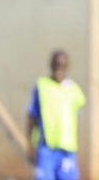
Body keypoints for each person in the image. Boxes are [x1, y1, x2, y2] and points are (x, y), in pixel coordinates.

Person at [27, 50, 86, 180]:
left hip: (67, 148)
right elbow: (32, 116)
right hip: (46, 147)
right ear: (51, 65)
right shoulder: (42, 86)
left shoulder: (74, 90)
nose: (59, 69)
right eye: (56, 65)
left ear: (67, 66)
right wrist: (30, 145)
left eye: (62, 65)